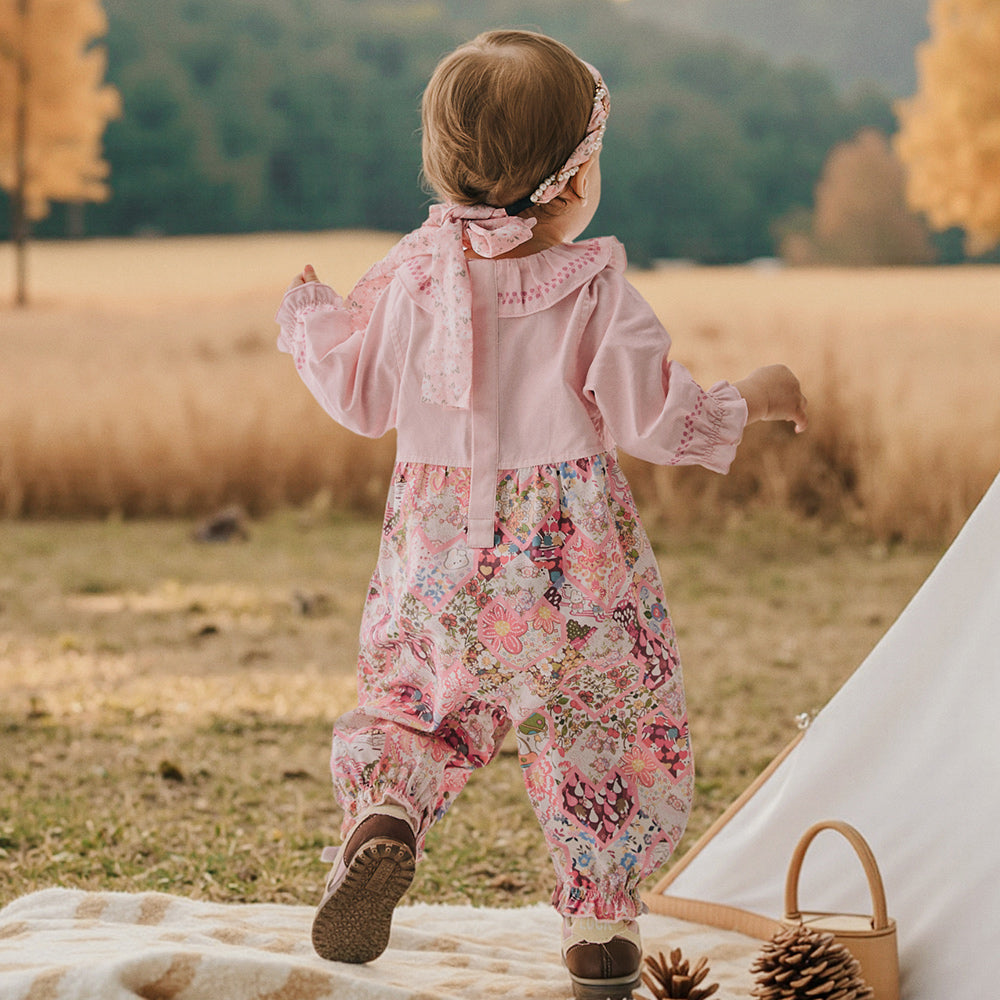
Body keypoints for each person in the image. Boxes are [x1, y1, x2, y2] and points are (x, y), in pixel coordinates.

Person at [276, 29, 807, 1000]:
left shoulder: (416, 272)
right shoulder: (593, 283)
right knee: (604, 718)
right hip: (574, 557)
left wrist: (313, 321)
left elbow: (358, 400)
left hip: (436, 547)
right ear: (568, 181)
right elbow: (651, 418)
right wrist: (751, 397)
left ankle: (388, 810)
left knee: (415, 702)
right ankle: (601, 917)